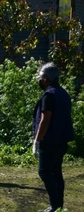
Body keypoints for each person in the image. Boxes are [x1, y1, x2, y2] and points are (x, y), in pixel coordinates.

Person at [32, 62, 74, 212]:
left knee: (44, 172)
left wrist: (37, 140)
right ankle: (59, 206)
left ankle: (55, 205)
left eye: (40, 77)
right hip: (61, 140)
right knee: (56, 172)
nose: (39, 80)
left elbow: (45, 120)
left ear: (46, 78)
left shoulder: (48, 96)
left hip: (49, 141)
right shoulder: (63, 93)